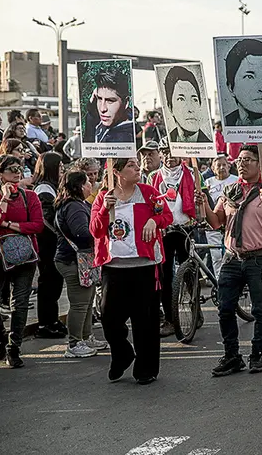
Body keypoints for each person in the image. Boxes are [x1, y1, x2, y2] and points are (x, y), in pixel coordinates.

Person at [202, 145, 262, 377]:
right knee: (225, 308)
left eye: (248, 159)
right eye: (239, 159)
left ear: (261, 165)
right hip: (232, 258)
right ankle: (232, 356)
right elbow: (217, 222)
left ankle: (257, 354)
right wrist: (204, 205)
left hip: (258, 259)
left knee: (260, 310)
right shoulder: (230, 191)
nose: (242, 163)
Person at [90, 157, 172, 384]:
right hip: (114, 267)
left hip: (145, 266)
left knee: (145, 320)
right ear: (116, 172)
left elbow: (167, 215)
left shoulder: (148, 192)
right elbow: (95, 230)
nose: (138, 168)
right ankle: (122, 354)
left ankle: (146, 369)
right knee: (109, 318)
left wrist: (155, 220)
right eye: (131, 166)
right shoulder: (104, 196)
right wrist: (105, 209)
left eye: (137, 165)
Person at [53, 171, 106, 358]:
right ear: (80, 186)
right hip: (72, 260)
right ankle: (74, 343)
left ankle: (86, 336)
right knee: (79, 304)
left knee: (87, 300)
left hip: (81, 260)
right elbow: (82, 233)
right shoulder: (74, 206)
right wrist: (102, 235)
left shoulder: (77, 204)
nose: (91, 185)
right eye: (87, 182)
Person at [0, 155, 44, 368]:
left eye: (19, 168)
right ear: (0, 174)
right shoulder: (2, 197)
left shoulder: (30, 196)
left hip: (24, 257)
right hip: (0, 258)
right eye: (11, 169)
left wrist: (7, 224)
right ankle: (1, 338)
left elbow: (37, 225)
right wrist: (5, 201)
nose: (17, 172)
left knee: (20, 301)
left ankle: (13, 346)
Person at [150, 148, 199, 337]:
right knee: (165, 276)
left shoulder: (193, 173)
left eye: (172, 152)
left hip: (186, 227)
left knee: (190, 273)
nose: (169, 157)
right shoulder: (154, 176)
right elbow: (150, 201)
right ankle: (170, 320)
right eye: (164, 152)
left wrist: (198, 212)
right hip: (164, 229)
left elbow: (201, 197)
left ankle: (196, 313)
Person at [32, 152, 67, 339]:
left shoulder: (52, 187)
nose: (62, 169)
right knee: (48, 285)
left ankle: (52, 320)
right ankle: (45, 323)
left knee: (54, 284)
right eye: (60, 166)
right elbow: (47, 219)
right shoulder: (44, 189)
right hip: (47, 245)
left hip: (53, 244)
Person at [204, 155, 238, 275]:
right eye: (218, 165)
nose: (222, 167)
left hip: (231, 223)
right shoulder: (207, 183)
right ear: (213, 168)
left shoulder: (236, 180)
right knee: (216, 256)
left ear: (229, 166)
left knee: (232, 255)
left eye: (224, 164)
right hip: (213, 224)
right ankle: (219, 281)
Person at [83, 65, 135, 143]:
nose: (102, 109)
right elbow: (91, 117)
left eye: (110, 101)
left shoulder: (125, 137)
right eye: (99, 99)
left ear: (126, 102)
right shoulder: (107, 120)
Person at [163, 66, 211, 143]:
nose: (190, 109)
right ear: (170, 107)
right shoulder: (165, 143)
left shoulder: (208, 147)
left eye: (194, 99)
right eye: (181, 99)